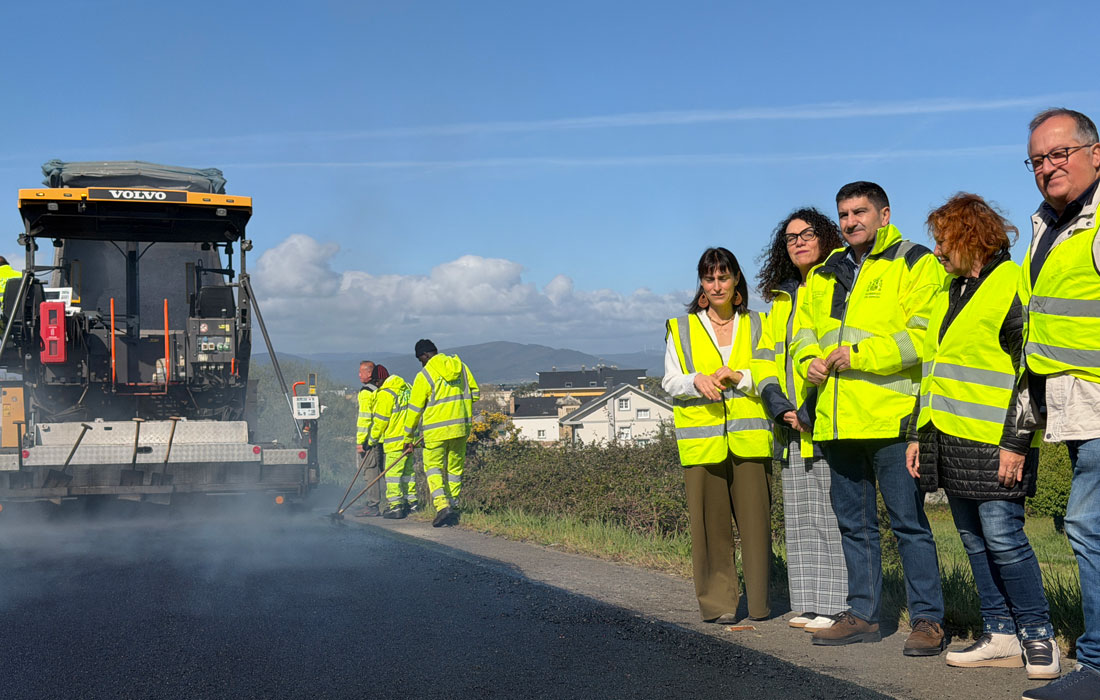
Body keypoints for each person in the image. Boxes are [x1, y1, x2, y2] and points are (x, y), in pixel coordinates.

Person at [905, 193, 1058, 679]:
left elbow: (1030, 371)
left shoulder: (1011, 283)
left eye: (944, 241)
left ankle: (1039, 636)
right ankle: (1000, 634)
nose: (938, 252)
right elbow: (932, 372)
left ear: (971, 237)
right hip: (949, 441)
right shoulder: (949, 291)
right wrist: (916, 435)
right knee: (973, 541)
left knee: (1004, 539)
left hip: (996, 444)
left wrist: (1017, 442)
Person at [791, 181, 947, 655]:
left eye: (860, 212)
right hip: (838, 423)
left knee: (909, 525)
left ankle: (928, 621)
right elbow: (802, 335)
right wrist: (809, 362)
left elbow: (924, 337)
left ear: (884, 214)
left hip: (892, 420)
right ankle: (863, 614)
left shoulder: (913, 260)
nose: (851, 222)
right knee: (853, 526)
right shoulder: (823, 273)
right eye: (844, 215)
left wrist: (857, 354)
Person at [1016, 108, 1100, 700]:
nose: (1048, 167)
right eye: (1037, 160)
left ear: (1095, 153)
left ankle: (1096, 665)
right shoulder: (1050, 224)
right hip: (1072, 408)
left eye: (1059, 154)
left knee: (1086, 524)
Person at [662, 247, 774, 625]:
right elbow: (670, 380)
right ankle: (719, 604)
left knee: (756, 526)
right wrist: (697, 380)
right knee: (710, 531)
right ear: (702, 284)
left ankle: (759, 604)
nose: (716, 285)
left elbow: (774, 375)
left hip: (751, 439)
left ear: (737, 278)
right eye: (709, 278)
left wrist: (740, 377)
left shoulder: (760, 324)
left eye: (723, 277)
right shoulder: (681, 327)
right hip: (702, 443)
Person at [753, 208, 848, 633]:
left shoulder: (837, 282)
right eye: (791, 238)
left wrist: (808, 407)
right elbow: (764, 360)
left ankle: (838, 604)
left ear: (825, 237)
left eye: (807, 234)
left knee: (830, 516)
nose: (799, 242)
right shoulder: (781, 298)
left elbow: (832, 350)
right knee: (800, 517)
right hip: (790, 421)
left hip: (825, 417)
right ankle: (808, 602)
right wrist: (779, 405)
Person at [403, 339, 479, 528]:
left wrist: (408, 438)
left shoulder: (425, 375)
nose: (421, 363)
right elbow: (475, 394)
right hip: (461, 428)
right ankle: (453, 506)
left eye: (420, 359)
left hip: (435, 432)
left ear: (424, 356)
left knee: (434, 468)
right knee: (454, 470)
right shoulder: (461, 367)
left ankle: (442, 506)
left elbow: (414, 410)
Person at [368, 364, 419, 518]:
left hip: (395, 442)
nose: (376, 386)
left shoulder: (386, 394)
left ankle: (396, 506)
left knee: (393, 475)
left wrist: (371, 440)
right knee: (408, 473)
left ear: (379, 380)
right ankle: (412, 503)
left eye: (376, 382)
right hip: (410, 441)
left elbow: (380, 421)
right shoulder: (406, 389)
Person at [354, 360, 383, 517]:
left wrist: (361, 442)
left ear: (369, 373)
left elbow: (364, 419)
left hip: (370, 440)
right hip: (381, 438)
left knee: (370, 471)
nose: (359, 375)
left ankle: (373, 505)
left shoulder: (366, 392)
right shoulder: (379, 389)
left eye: (361, 372)